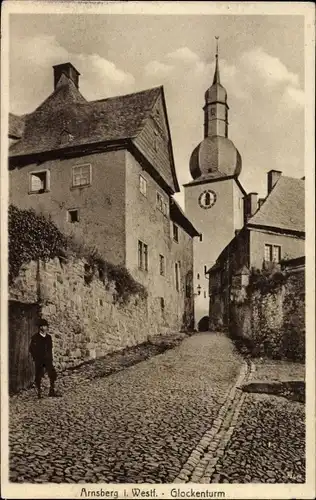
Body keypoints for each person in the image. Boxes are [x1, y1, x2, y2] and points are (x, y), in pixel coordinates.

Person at [29, 319, 61, 398]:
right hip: (39, 360)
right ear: (40, 327)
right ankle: (39, 392)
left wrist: (50, 358)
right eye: (43, 326)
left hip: (48, 359)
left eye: (46, 326)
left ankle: (51, 391)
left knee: (52, 374)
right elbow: (31, 349)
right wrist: (36, 357)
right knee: (39, 375)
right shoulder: (35, 337)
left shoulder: (49, 337)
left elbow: (50, 348)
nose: (45, 328)